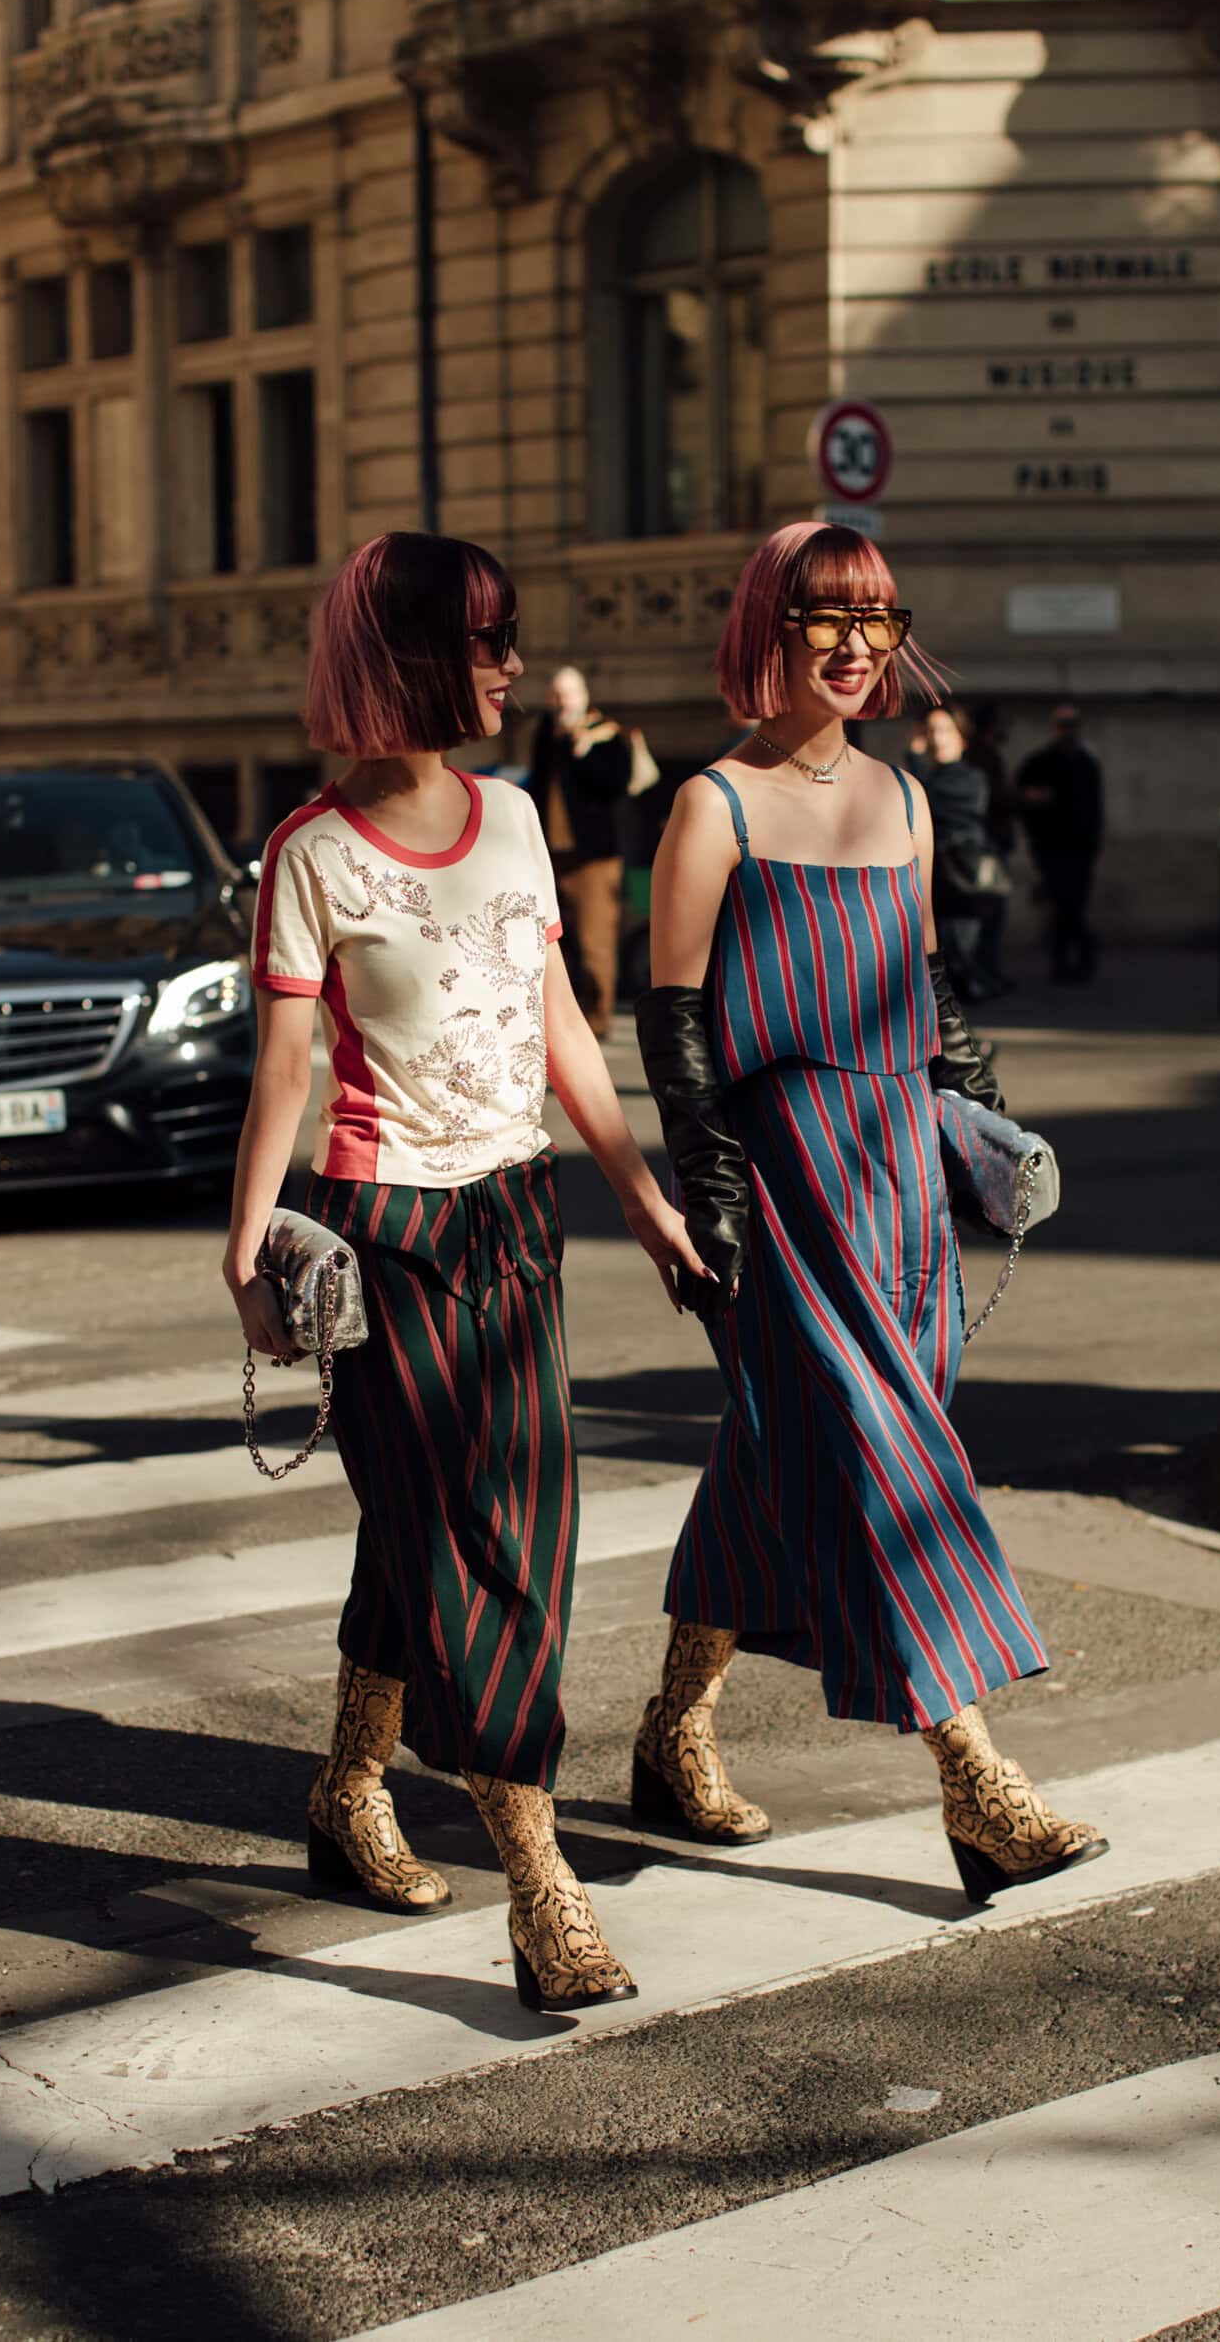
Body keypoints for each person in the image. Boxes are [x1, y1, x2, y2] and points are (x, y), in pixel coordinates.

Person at [224, 532, 704, 2012]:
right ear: (412, 655)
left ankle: (346, 1787)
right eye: (485, 638)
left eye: (507, 636)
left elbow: (556, 1017)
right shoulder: (312, 853)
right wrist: (245, 1252)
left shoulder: (508, 816)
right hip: (385, 1236)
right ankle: (538, 1880)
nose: (506, 663)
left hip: (512, 1218)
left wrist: (639, 1190)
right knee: (471, 1548)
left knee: (494, 1524)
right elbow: (288, 1072)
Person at [629, 521, 1108, 1901]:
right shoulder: (708, 807)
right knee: (874, 1454)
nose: (853, 646)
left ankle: (672, 1730)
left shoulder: (900, 801)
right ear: (764, 632)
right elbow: (672, 1030)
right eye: (824, 618)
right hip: (779, 1177)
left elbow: (925, 989)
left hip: (896, 1167)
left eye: (877, 621)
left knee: (780, 1452)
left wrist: (988, 1124)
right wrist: (708, 1207)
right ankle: (977, 1783)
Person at [528, 665, 633, 1038]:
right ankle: (564, 1018)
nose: (561, 703)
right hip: (552, 855)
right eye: (556, 695)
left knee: (595, 944)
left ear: (584, 696)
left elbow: (616, 785)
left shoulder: (607, 735)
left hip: (593, 858)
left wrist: (583, 752)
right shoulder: (546, 733)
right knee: (560, 944)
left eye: (568, 694)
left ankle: (597, 1020)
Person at [908, 704, 993, 1001]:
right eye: (930, 731)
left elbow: (933, 808)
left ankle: (964, 1038)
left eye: (944, 730)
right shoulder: (929, 777)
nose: (936, 738)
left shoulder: (968, 778)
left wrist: (916, 760)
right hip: (934, 884)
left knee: (956, 961)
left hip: (960, 881)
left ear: (962, 738)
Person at [1017, 701, 1103, 982]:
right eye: (1063, 725)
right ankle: (1069, 959)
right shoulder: (1041, 761)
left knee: (1072, 904)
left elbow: (1094, 807)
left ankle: (1073, 959)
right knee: (1061, 903)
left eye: (1071, 725)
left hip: (1079, 846)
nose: (1067, 731)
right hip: (1051, 845)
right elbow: (1021, 797)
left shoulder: (1086, 762)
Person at [966, 696, 1018, 997]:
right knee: (990, 911)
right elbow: (993, 799)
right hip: (987, 844)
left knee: (992, 911)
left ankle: (986, 971)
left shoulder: (985, 754)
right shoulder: (982, 756)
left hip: (991, 842)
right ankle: (983, 972)